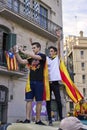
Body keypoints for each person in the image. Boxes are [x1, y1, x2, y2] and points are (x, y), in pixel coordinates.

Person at [13, 42, 47, 125]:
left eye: (34, 48)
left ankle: (38, 120)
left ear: (39, 48)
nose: (33, 49)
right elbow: (21, 61)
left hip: (39, 82)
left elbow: (36, 57)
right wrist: (16, 53)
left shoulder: (42, 56)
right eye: (32, 48)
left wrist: (24, 51)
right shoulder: (30, 59)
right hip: (30, 82)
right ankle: (27, 119)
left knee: (39, 101)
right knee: (29, 100)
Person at [46, 30, 63, 126]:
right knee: (48, 101)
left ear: (55, 52)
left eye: (52, 51)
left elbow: (59, 49)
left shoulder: (57, 59)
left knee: (58, 100)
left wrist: (58, 39)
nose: (50, 52)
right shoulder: (47, 59)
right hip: (48, 83)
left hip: (55, 82)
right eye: (50, 51)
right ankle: (49, 120)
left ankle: (61, 118)